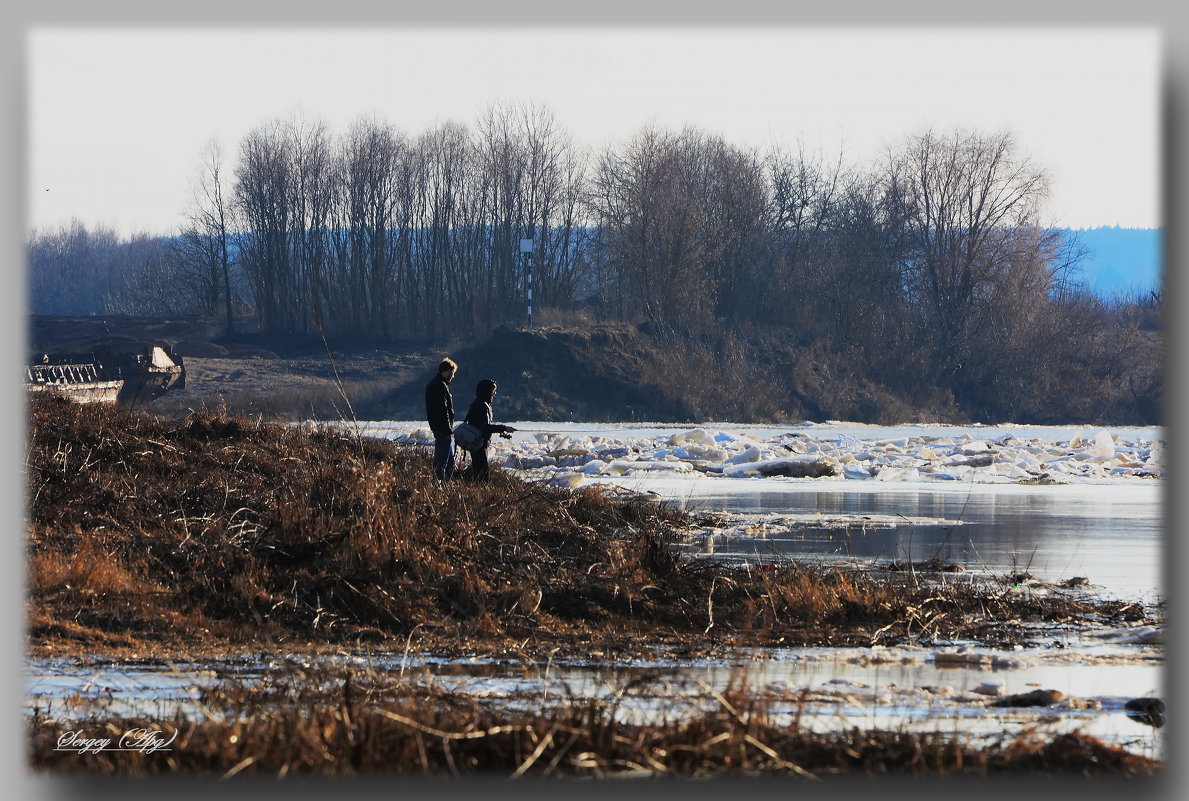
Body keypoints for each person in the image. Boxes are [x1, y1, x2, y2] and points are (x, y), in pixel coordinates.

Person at [461, 379, 516, 482]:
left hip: (477, 443)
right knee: (482, 475)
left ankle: (478, 493)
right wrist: (503, 428)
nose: (494, 393)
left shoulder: (478, 403)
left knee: (479, 472)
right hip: (479, 444)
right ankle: (479, 495)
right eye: (492, 391)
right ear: (486, 391)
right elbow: (485, 427)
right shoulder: (482, 406)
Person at [425, 358, 458, 481]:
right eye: (453, 372)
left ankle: (443, 486)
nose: (453, 376)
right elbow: (442, 409)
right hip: (442, 429)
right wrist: (448, 430)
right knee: (443, 462)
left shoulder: (436, 383)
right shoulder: (439, 385)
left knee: (448, 462)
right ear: (449, 370)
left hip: (440, 428)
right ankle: (440, 486)